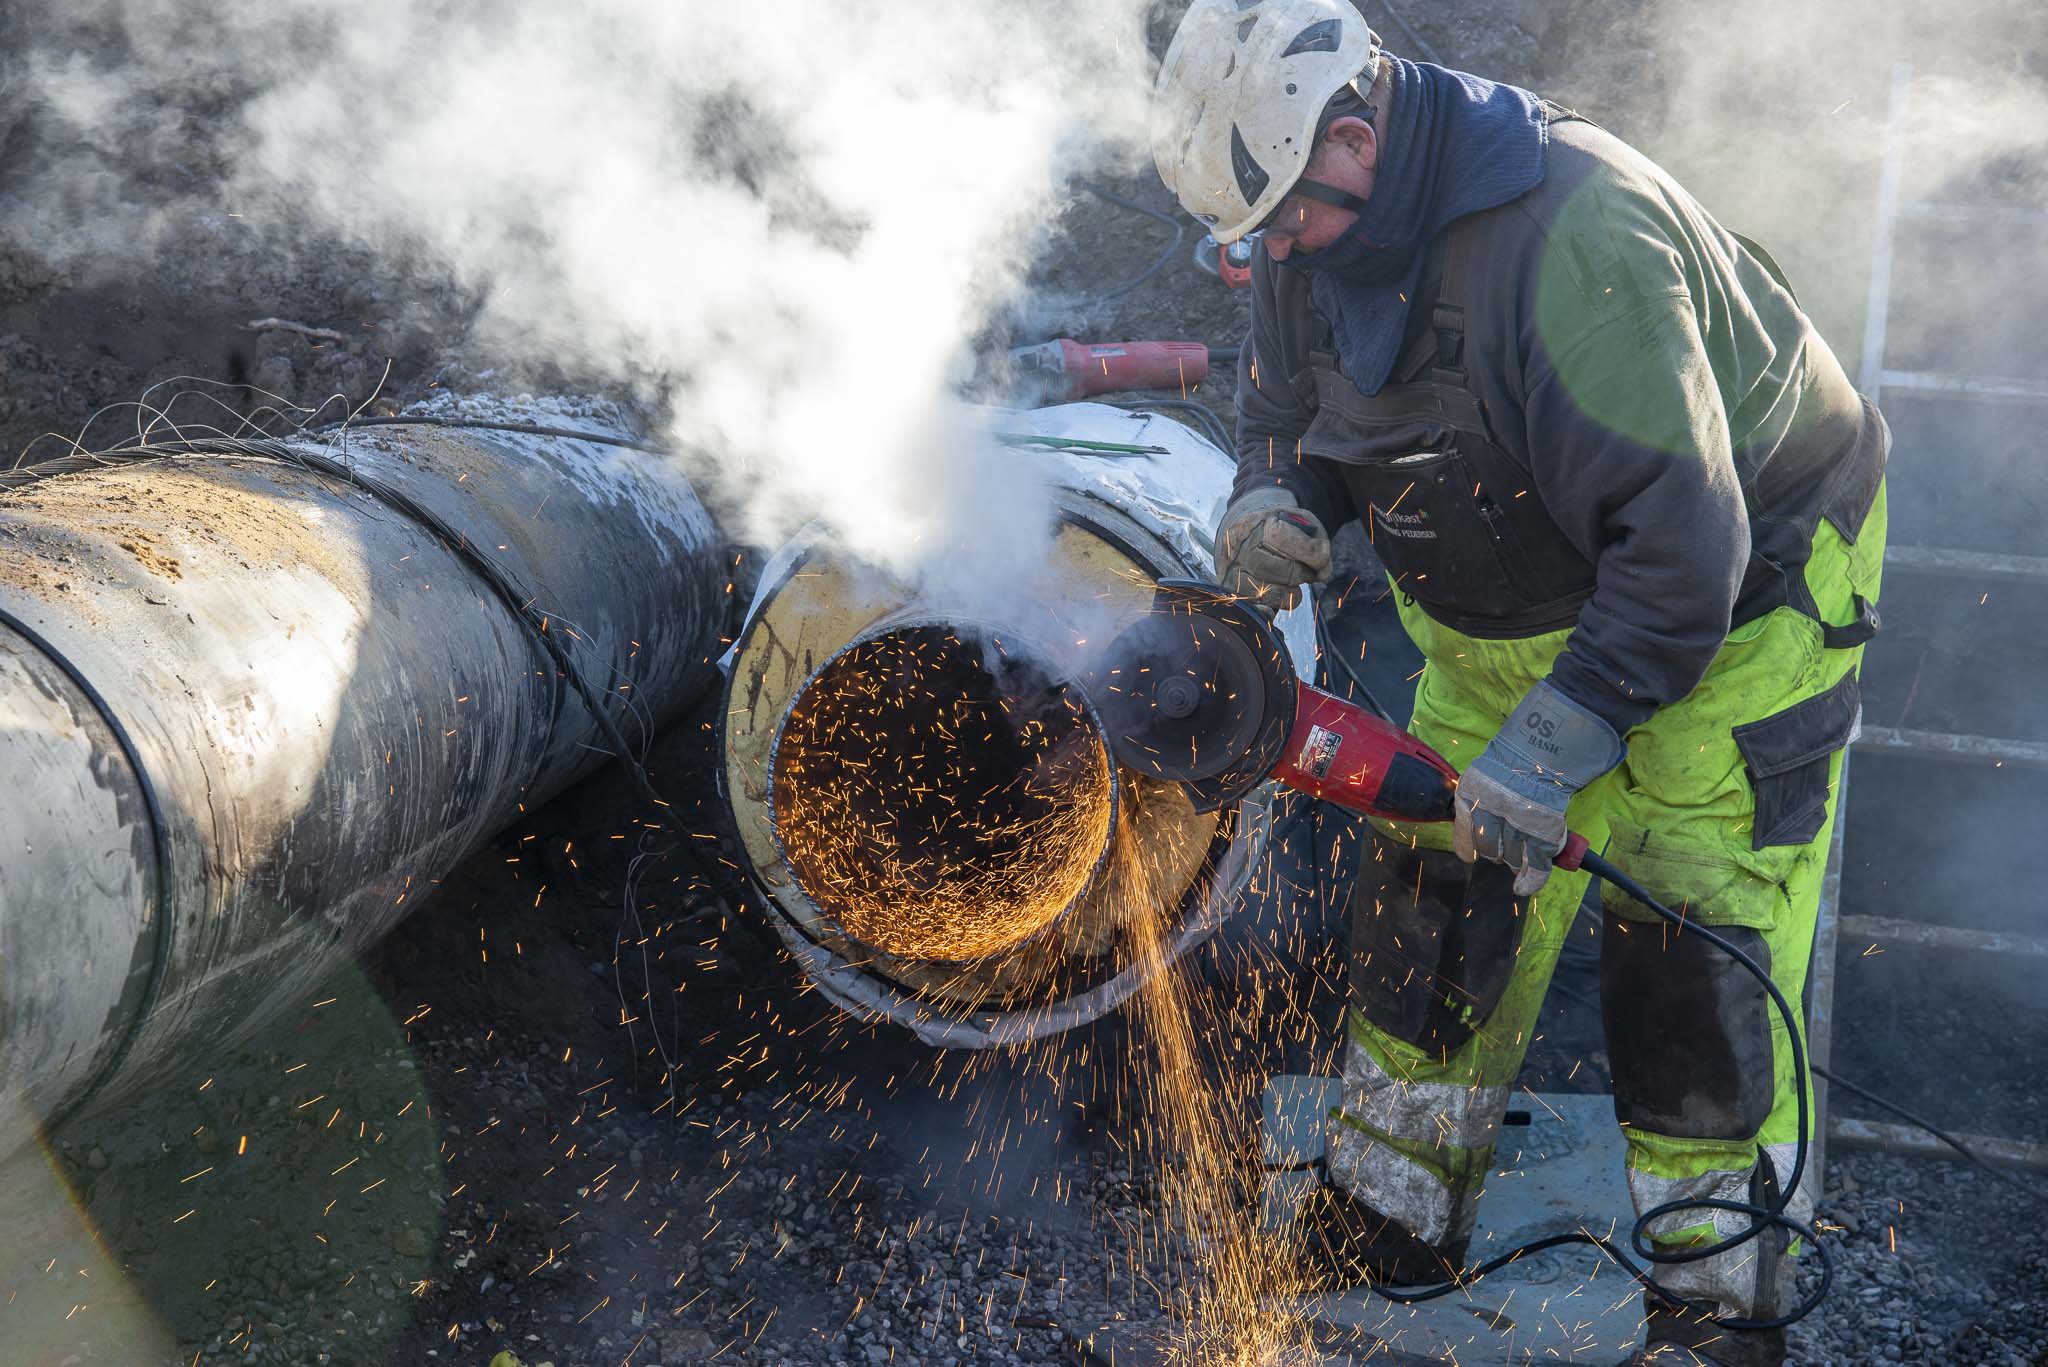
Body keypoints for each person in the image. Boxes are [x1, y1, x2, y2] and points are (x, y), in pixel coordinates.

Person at [1150, 2, 1888, 1363]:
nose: (1274, 256)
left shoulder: (1573, 242)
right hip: (1509, 605)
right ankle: (1387, 1215)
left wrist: (1550, 756)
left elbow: (1684, 554)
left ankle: (1714, 1295)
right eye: (1253, 239)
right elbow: (1281, 404)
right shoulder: (1311, 227)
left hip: (1737, 606)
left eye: (1285, 223)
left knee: (1684, 938)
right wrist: (1273, 495)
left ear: (1355, 137)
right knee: (1435, 898)